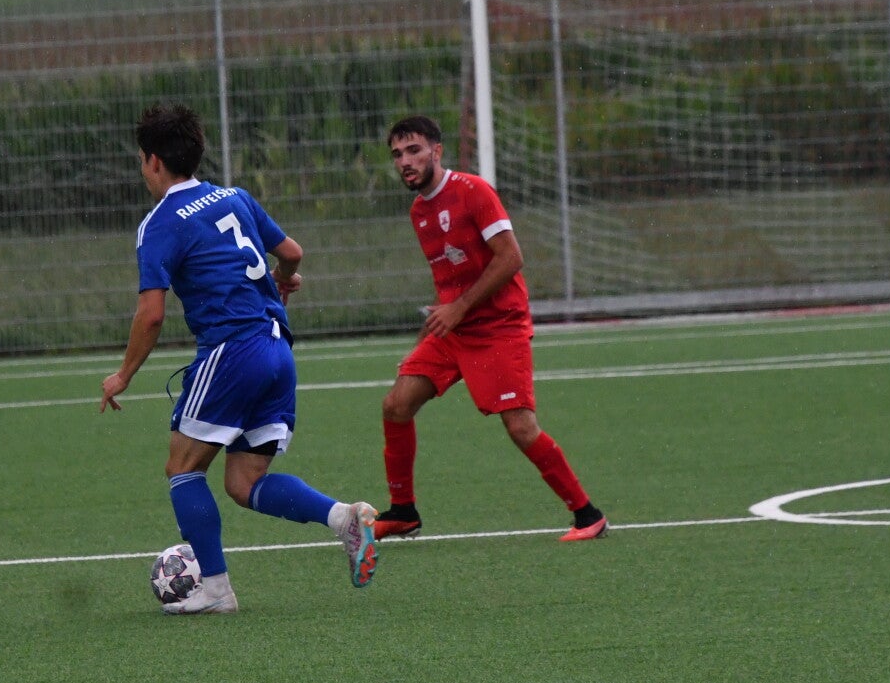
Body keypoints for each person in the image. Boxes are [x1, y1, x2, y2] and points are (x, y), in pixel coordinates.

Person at [100, 103, 378, 614]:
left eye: (141, 160)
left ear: (154, 161)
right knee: (242, 482)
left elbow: (152, 315)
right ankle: (344, 519)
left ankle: (216, 590)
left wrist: (123, 374)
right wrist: (281, 280)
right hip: (277, 349)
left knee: (182, 467)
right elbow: (292, 253)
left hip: (232, 351)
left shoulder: (159, 224)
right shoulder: (235, 196)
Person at [372, 115, 608, 543]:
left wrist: (459, 309)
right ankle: (403, 511)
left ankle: (587, 514)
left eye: (414, 150)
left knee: (520, 427)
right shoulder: (419, 211)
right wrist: (423, 342)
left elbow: (511, 258)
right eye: (397, 154)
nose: (405, 161)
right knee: (396, 405)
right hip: (455, 331)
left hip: (500, 327)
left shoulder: (473, 191)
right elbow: (448, 287)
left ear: (437, 151)